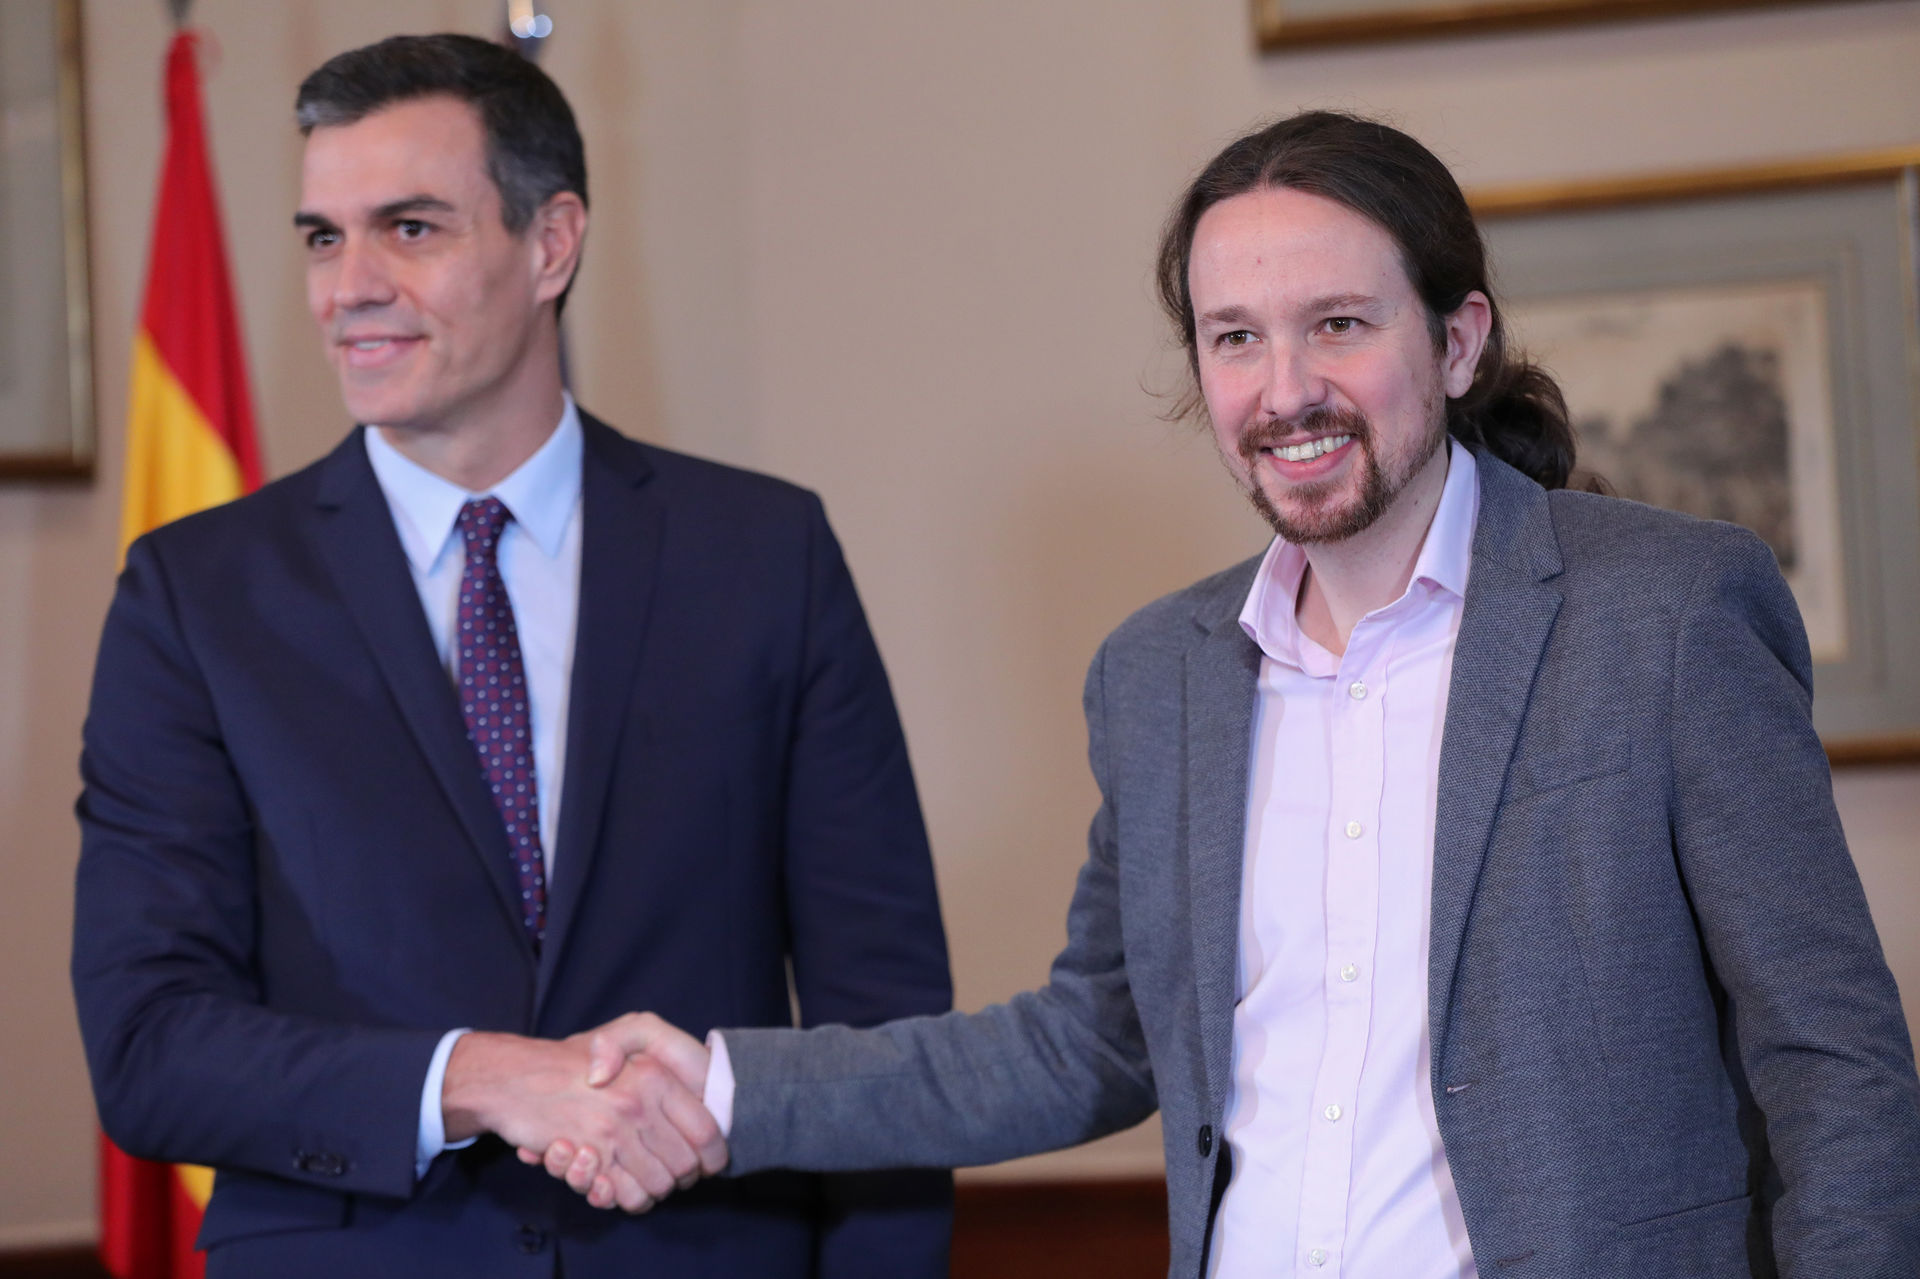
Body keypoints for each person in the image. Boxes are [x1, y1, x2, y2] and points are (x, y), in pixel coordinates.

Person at [532, 112, 1920, 1277]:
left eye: (1338, 324)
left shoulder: (1667, 610)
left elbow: (1834, 1055)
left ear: (1456, 341)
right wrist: (726, 1086)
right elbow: (1093, 1038)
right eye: (1236, 337)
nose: (1286, 390)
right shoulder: (1160, 676)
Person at [71, 33, 952, 1279]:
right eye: (322, 237)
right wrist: (484, 1079)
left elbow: (886, 1026)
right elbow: (150, 1045)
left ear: (551, 244)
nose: (348, 287)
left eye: (409, 228)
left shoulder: (765, 554)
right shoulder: (197, 594)